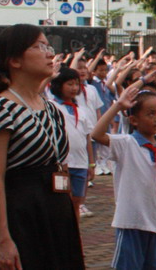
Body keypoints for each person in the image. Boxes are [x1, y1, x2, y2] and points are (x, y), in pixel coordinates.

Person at [0, 24, 85, 269]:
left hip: (56, 208)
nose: (49, 53)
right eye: (39, 47)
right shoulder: (1, 109)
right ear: (14, 60)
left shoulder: (50, 108)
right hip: (23, 213)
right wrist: (3, 239)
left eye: (48, 46)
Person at [91, 79, 156, 270]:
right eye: (150, 114)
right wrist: (117, 106)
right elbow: (97, 134)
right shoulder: (126, 144)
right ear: (134, 120)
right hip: (131, 223)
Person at [48, 68, 97, 218]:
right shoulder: (52, 107)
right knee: (62, 200)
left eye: (76, 84)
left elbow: (87, 137)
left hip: (81, 163)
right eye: (69, 84)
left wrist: (91, 163)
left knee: (77, 201)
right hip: (62, 164)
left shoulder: (80, 110)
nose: (74, 88)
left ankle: (75, 234)